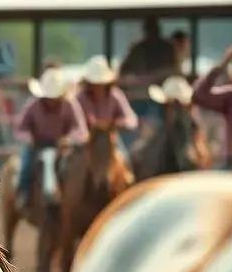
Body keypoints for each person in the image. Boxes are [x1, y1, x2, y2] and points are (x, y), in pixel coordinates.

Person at [15, 68, 89, 208]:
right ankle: (23, 194)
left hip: (63, 147)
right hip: (37, 145)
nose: (52, 101)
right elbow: (20, 128)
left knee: (80, 168)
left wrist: (70, 139)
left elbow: (82, 131)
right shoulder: (33, 105)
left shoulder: (70, 105)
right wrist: (28, 137)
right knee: (25, 165)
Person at [74, 55, 139, 132]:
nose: (97, 87)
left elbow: (132, 120)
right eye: (95, 83)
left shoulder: (115, 95)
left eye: (100, 83)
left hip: (110, 137)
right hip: (87, 139)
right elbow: (74, 126)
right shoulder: (80, 98)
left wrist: (116, 123)